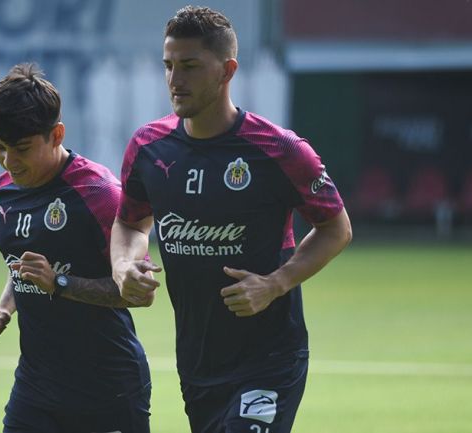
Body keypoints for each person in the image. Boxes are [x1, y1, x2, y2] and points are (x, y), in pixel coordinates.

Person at [111, 6, 352, 433]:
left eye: (189, 66)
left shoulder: (280, 149)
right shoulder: (149, 148)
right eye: (168, 66)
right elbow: (130, 223)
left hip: (270, 359)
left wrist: (275, 283)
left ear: (227, 70)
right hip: (198, 360)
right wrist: (124, 265)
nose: (174, 80)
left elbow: (337, 227)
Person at [0, 63, 152, 433]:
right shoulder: (0, 195)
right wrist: (4, 308)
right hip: (35, 387)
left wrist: (60, 284)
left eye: (21, 148)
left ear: (56, 134)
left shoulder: (99, 195)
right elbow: (21, 266)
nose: (9, 162)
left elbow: (139, 295)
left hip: (107, 388)